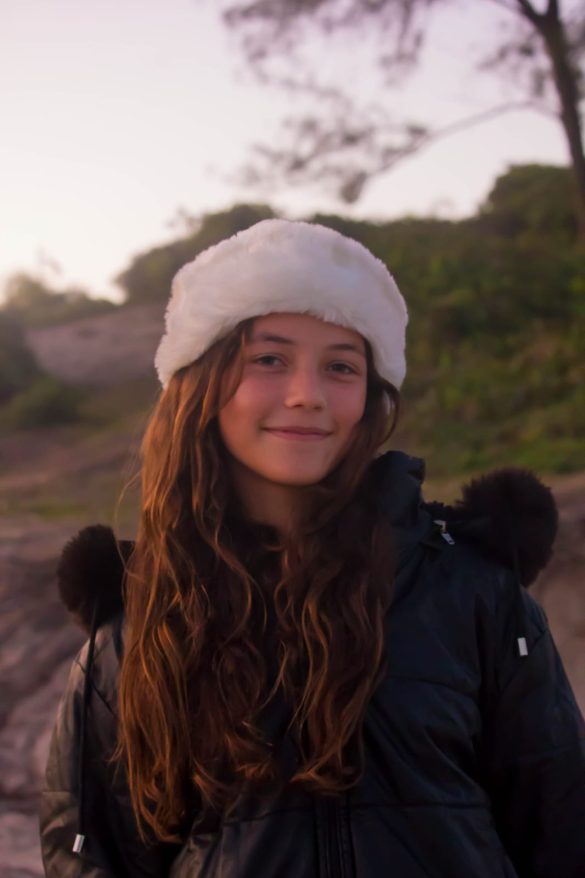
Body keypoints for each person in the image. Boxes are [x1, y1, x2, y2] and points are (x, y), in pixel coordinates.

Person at [40, 219, 585, 877]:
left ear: (370, 394)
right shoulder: (138, 622)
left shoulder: (473, 592)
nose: (307, 395)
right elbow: (94, 854)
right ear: (200, 384)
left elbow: (561, 830)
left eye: (341, 366)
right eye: (269, 360)